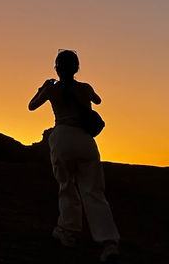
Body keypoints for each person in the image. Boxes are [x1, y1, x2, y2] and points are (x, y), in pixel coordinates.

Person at [28, 50, 119, 262]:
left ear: (57, 68)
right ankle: (109, 242)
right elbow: (97, 100)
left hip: (62, 138)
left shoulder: (52, 89)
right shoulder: (85, 88)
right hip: (86, 141)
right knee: (94, 192)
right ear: (76, 68)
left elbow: (32, 106)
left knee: (66, 186)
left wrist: (43, 88)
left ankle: (68, 232)